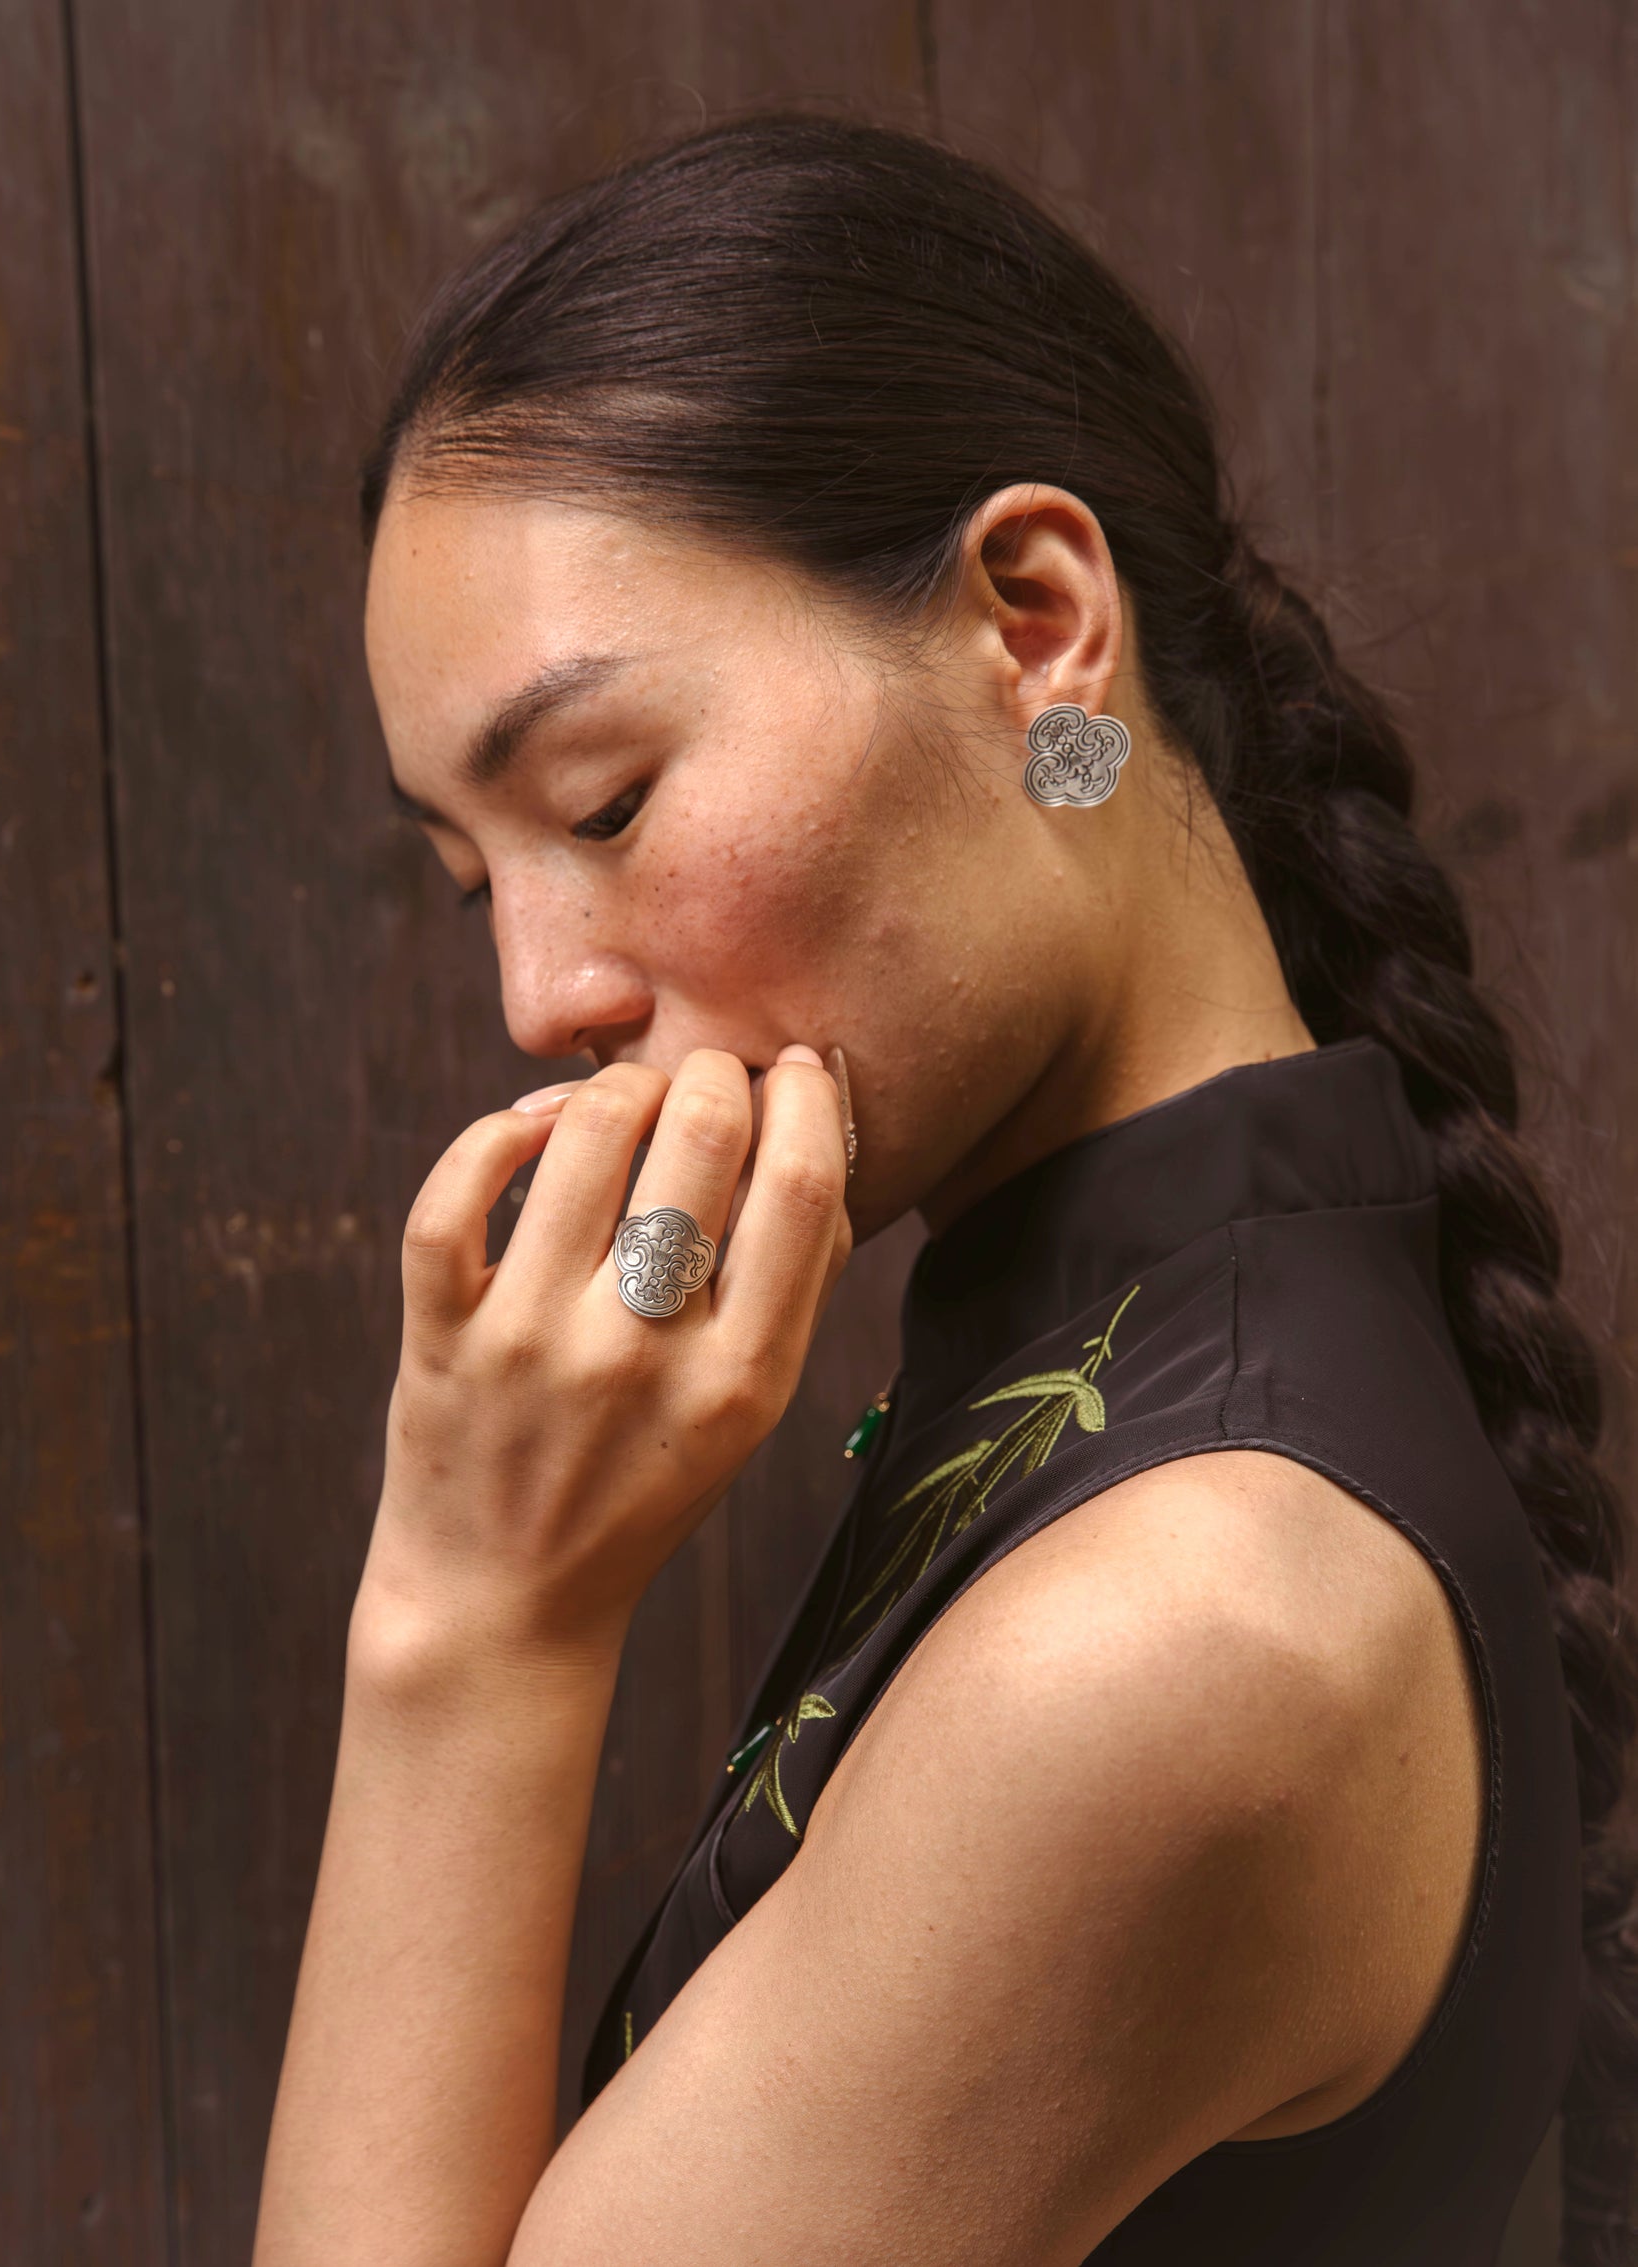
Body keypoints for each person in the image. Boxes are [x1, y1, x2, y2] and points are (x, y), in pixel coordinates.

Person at [252, 116, 1637, 2266]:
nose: (540, 994)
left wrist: (471, 1622)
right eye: (471, 882)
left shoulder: (1184, 1637)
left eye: (602, 802)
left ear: (1037, 626)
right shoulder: (1137, 1361)